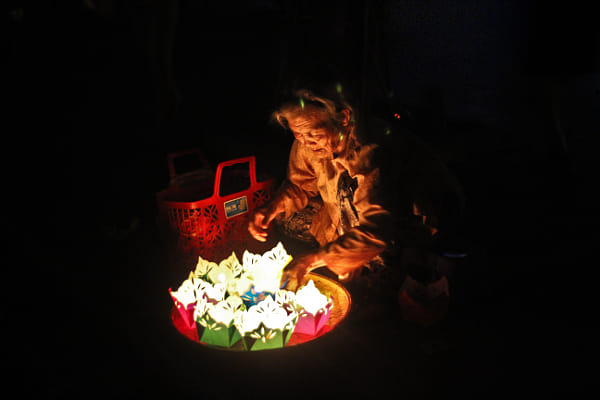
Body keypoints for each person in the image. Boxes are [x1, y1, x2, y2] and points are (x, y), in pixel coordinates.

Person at [248, 87, 394, 289]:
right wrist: (271, 207)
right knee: (287, 220)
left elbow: (377, 228)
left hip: (396, 230)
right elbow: (300, 184)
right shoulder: (308, 142)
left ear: (343, 118)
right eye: (298, 134)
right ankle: (343, 254)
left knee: (380, 275)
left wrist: (309, 261)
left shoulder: (370, 152)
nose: (306, 142)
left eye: (313, 133)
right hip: (345, 216)